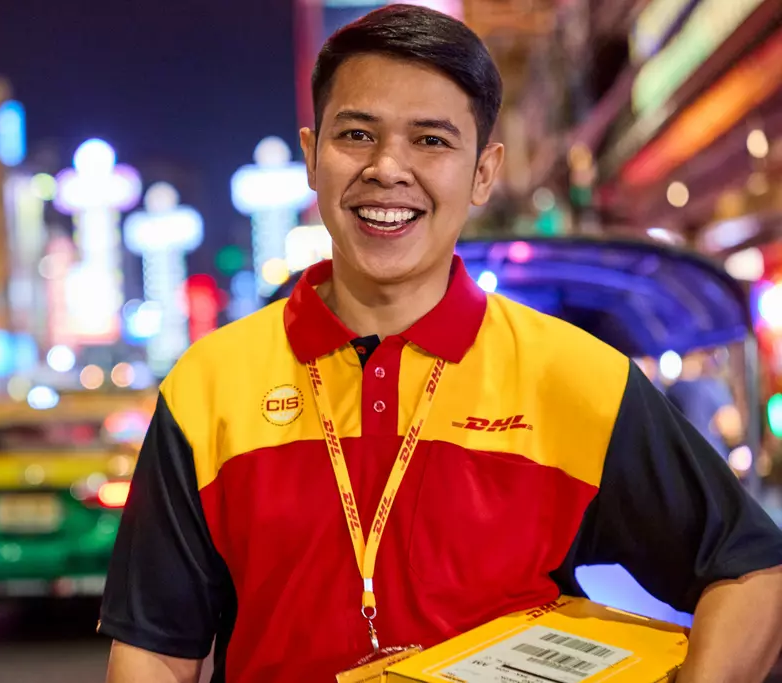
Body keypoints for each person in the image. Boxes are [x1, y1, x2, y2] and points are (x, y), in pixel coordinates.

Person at [100, 5, 782, 682]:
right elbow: (155, 650)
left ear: (484, 172)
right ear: (311, 155)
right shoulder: (209, 385)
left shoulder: (576, 378)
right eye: (357, 134)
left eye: (430, 140)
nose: (387, 168)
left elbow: (754, 571)